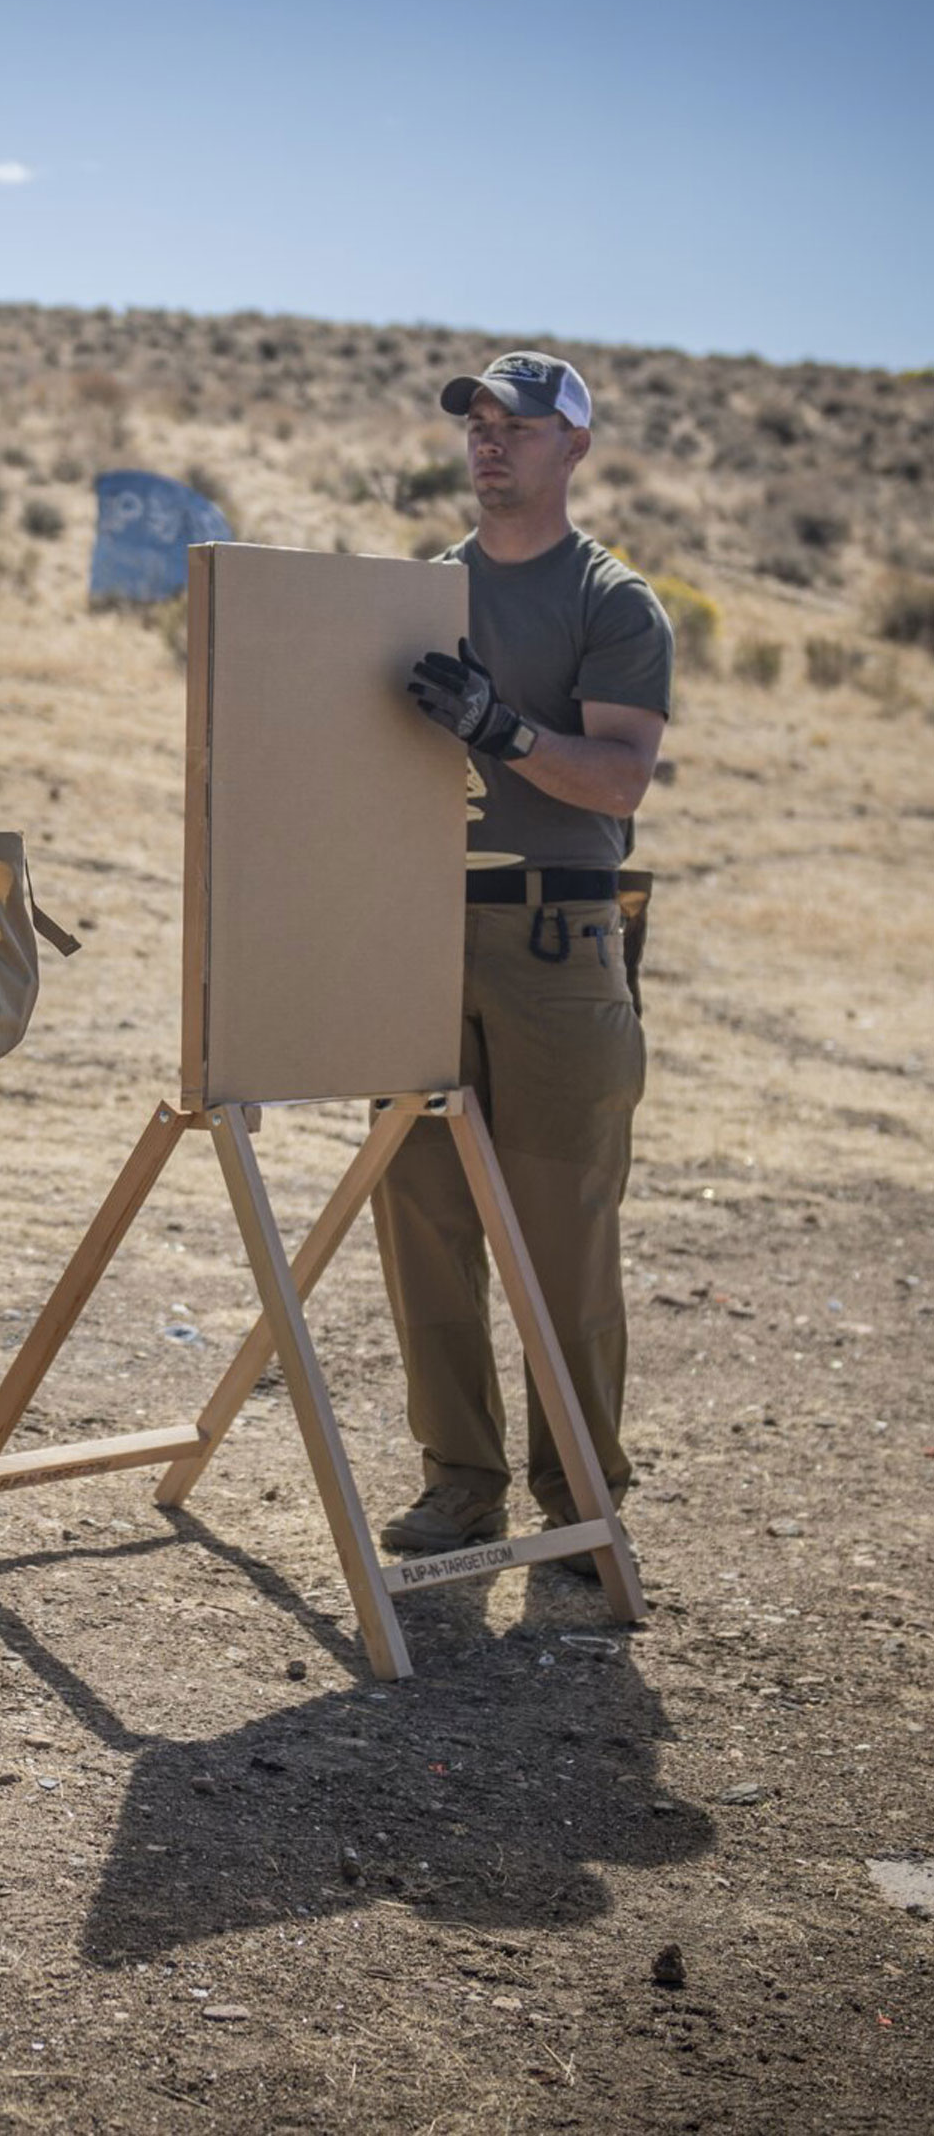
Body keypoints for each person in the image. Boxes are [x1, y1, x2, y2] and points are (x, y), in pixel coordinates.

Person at [374, 351, 672, 1571]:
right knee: (421, 1217)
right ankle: (460, 1482)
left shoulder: (615, 601)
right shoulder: (416, 595)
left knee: (563, 1232)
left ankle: (581, 1497)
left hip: (561, 943)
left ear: (576, 448)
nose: (490, 442)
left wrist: (502, 729)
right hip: (416, 939)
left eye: (520, 425)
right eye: (478, 424)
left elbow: (616, 779)